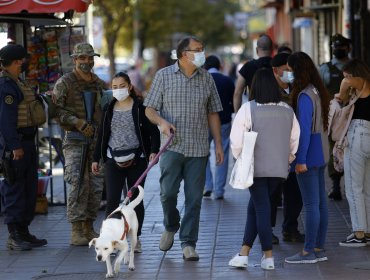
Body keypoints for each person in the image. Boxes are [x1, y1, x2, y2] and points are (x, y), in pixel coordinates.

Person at [144, 36, 224, 261]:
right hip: (172, 147)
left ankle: (188, 243)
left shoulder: (207, 78)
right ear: (183, 54)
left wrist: (218, 143)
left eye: (202, 49)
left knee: (195, 199)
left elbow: (213, 113)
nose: (202, 53)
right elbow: (149, 109)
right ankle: (171, 225)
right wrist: (161, 122)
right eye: (197, 50)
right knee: (167, 193)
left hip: (198, 149)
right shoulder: (163, 76)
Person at [228, 68, 300, 270]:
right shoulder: (287, 110)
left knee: (261, 208)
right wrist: (287, 158)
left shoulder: (248, 109)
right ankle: (243, 253)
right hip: (278, 169)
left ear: (254, 87)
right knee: (256, 207)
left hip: (255, 167)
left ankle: (268, 257)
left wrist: (240, 158)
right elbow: (294, 140)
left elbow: (236, 141)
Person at [92, 72, 160, 253]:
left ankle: (136, 239)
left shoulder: (140, 108)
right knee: (112, 201)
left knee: (135, 201)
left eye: (122, 86)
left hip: (137, 160)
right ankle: (111, 240)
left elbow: (153, 132)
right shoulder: (108, 109)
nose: (118, 90)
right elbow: (102, 136)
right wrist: (95, 158)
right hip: (113, 160)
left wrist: (153, 151)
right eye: (114, 87)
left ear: (129, 86)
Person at [53, 43, 107, 246]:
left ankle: (88, 227)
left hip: (96, 141)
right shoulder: (65, 83)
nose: (87, 62)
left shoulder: (99, 84)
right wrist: (77, 122)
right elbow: (56, 111)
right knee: (78, 182)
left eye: (90, 58)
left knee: (95, 185)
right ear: (75, 59)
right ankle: (76, 229)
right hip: (75, 140)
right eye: (82, 58)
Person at [0, 44, 47, 250]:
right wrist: (14, 146)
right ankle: (14, 234)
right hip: (16, 145)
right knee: (15, 188)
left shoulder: (18, 82)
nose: (24, 64)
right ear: (17, 61)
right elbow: (5, 120)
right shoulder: (6, 86)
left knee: (29, 189)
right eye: (21, 61)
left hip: (27, 143)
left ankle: (24, 231)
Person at [285, 52, 330, 264]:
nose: (288, 74)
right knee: (320, 203)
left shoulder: (304, 96)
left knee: (311, 204)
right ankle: (319, 247)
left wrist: (299, 159)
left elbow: (302, 130)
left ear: (296, 70)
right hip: (321, 152)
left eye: (290, 69)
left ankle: (308, 251)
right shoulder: (317, 91)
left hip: (308, 155)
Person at [335, 59, 370, 247]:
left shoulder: (354, 88)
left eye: (348, 76)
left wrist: (344, 85)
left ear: (357, 75)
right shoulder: (363, 88)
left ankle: (358, 233)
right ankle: (368, 231)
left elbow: (340, 100)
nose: (346, 79)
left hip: (358, 135)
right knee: (367, 187)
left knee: (353, 187)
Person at [271, 52, 305, 243]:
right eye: (286, 70)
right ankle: (267, 231)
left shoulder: (297, 89)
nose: (290, 74)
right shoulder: (268, 91)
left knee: (294, 193)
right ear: (275, 71)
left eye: (292, 70)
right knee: (273, 195)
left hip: (292, 150)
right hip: (274, 150)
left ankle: (290, 229)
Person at [319, 33, 352, 201]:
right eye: (335, 47)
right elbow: (321, 93)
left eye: (341, 47)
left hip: (354, 115)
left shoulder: (356, 67)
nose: (338, 49)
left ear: (348, 48)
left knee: (352, 148)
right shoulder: (325, 69)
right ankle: (336, 185)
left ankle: (352, 184)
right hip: (335, 117)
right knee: (334, 149)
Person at [203, 55, 235, 200]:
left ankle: (207, 185)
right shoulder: (227, 80)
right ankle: (219, 190)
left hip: (204, 123)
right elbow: (233, 101)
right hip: (224, 122)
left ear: (204, 67)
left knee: (203, 154)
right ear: (220, 66)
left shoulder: (202, 81)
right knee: (222, 153)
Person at [233, 34, 273, 112]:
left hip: (254, 111)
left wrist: (237, 115)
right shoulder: (277, 65)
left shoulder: (248, 66)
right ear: (271, 50)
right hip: (276, 111)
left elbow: (237, 93)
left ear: (257, 50)